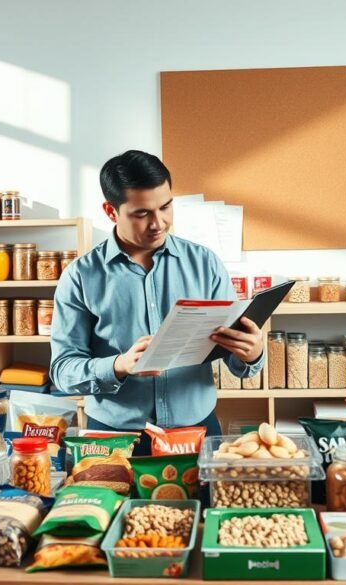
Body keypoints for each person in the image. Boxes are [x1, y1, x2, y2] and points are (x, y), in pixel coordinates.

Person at [49, 150, 265, 454]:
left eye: (166, 207)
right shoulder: (80, 277)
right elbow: (62, 370)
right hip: (115, 438)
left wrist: (252, 353)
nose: (158, 223)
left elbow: (233, 351)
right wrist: (118, 365)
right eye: (142, 213)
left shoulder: (205, 263)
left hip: (197, 430)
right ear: (111, 212)